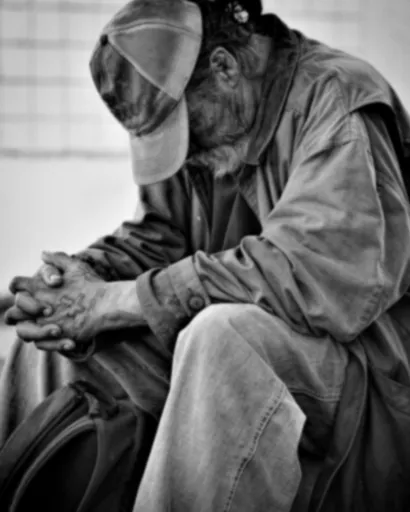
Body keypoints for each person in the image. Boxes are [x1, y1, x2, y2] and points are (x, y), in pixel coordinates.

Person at [2, 0, 410, 510]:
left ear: (223, 68)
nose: (185, 150)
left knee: (222, 337)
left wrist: (118, 301)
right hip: (246, 356)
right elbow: (159, 238)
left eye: (183, 128)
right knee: (48, 344)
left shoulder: (336, 99)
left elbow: (317, 276)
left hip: (365, 386)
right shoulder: (209, 119)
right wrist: (79, 286)